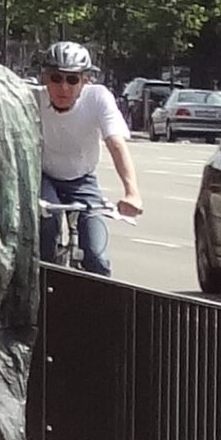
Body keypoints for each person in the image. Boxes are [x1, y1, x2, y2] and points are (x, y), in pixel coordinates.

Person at [34, 41, 143, 276]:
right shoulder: (32, 99)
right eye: (56, 78)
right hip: (44, 178)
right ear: (45, 78)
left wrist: (131, 192)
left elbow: (115, 143)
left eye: (72, 79)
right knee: (46, 230)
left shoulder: (98, 98)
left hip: (82, 180)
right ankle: (42, 285)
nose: (63, 87)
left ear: (85, 80)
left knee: (97, 257)